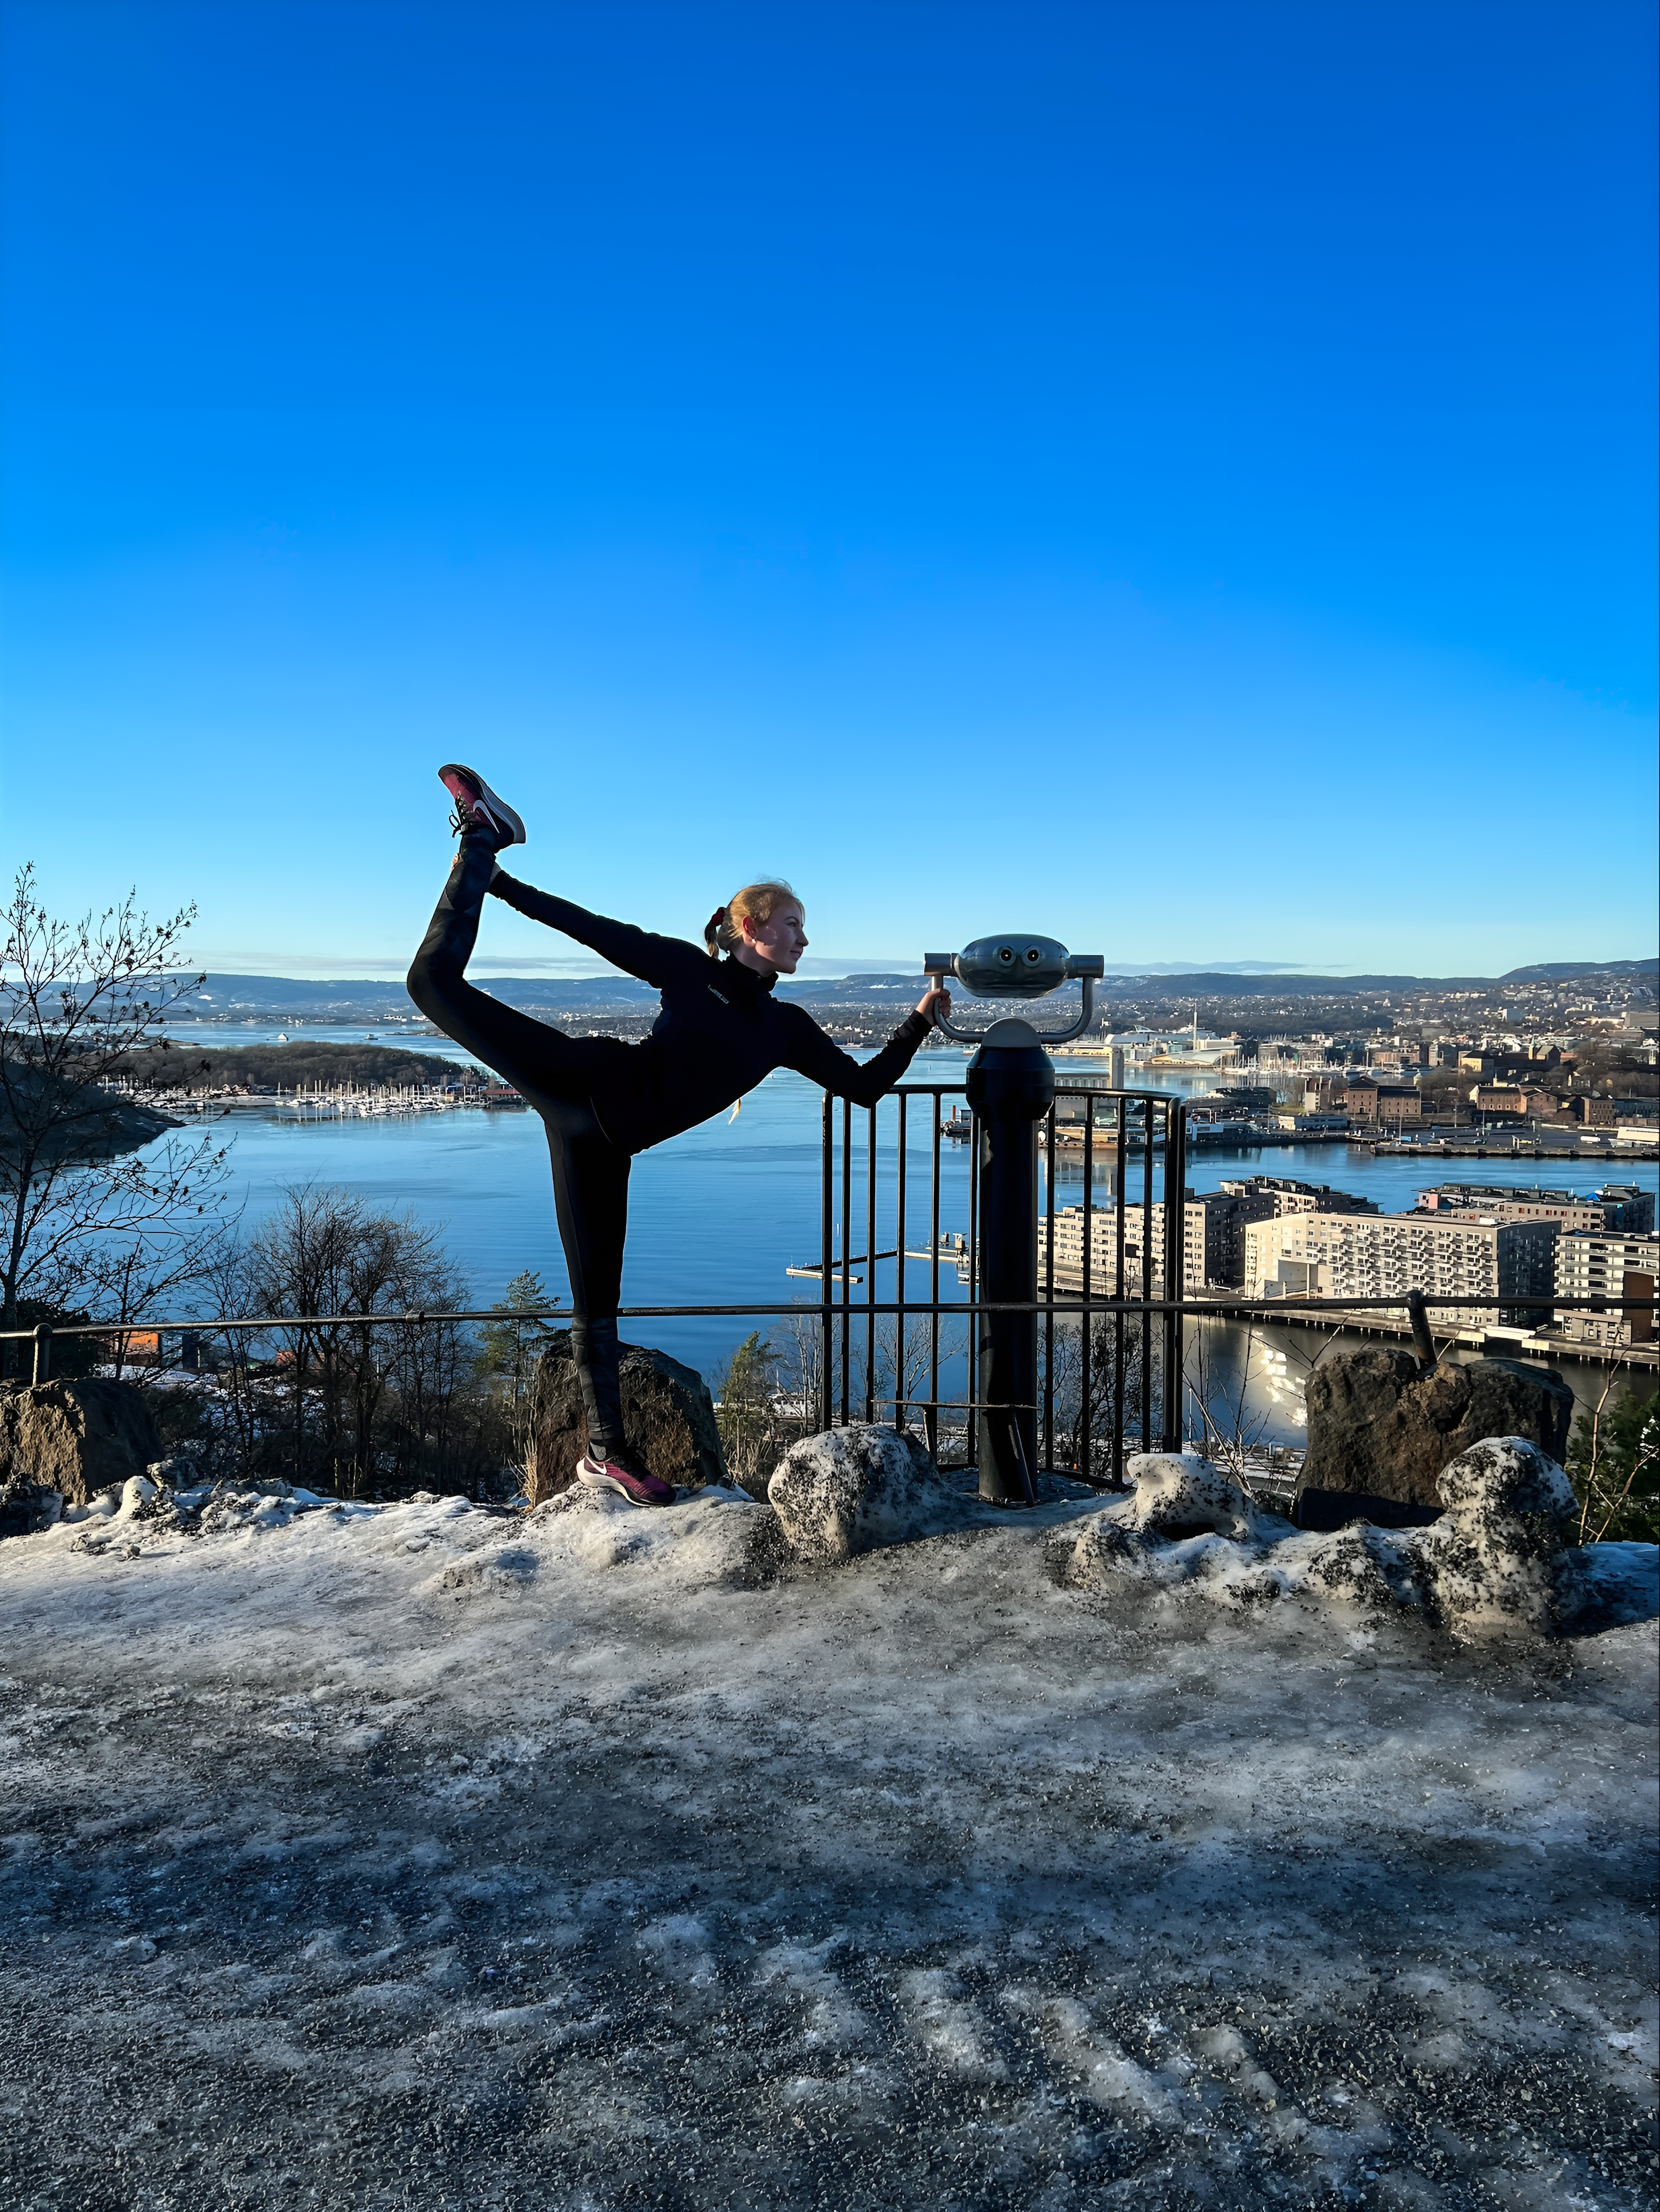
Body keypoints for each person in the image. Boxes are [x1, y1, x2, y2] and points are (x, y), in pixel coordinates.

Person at [407, 764, 952, 1507]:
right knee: (431, 985)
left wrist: (919, 1020)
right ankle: (480, 841)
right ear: (752, 927)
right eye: (793, 924)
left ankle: (607, 1455)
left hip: (600, 1145)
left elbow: (862, 1087)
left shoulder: (784, 1028)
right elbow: (590, 929)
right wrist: (496, 884)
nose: (805, 938)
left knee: (596, 1302)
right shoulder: (689, 972)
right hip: (582, 1082)